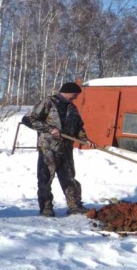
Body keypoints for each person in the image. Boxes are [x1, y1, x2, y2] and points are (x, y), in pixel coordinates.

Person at [23, 82, 97, 217]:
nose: (75, 98)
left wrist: (85, 139)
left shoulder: (72, 108)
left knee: (69, 178)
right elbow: (28, 119)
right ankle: (46, 208)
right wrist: (49, 129)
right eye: (74, 95)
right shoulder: (48, 103)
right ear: (67, 92)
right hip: (48, 149)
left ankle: (75, 206)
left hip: (66, 149)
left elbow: (78, 126)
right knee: (45, 179)